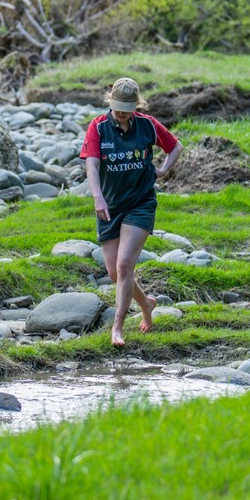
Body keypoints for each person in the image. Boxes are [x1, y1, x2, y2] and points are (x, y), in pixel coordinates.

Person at [80, 77, 183, 346]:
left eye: (127, 107)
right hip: (110, 206)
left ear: (136, 105)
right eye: (117, 107)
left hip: (141, 202)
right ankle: (146, 303)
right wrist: (98, 197)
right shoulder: (99, 127)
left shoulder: (147, 125)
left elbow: (175, 146)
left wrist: (162, 170)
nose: (122, 112)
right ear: (110, 101)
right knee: (115, 272)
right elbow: (91, 166)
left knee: (125, 265)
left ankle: (118, 328)